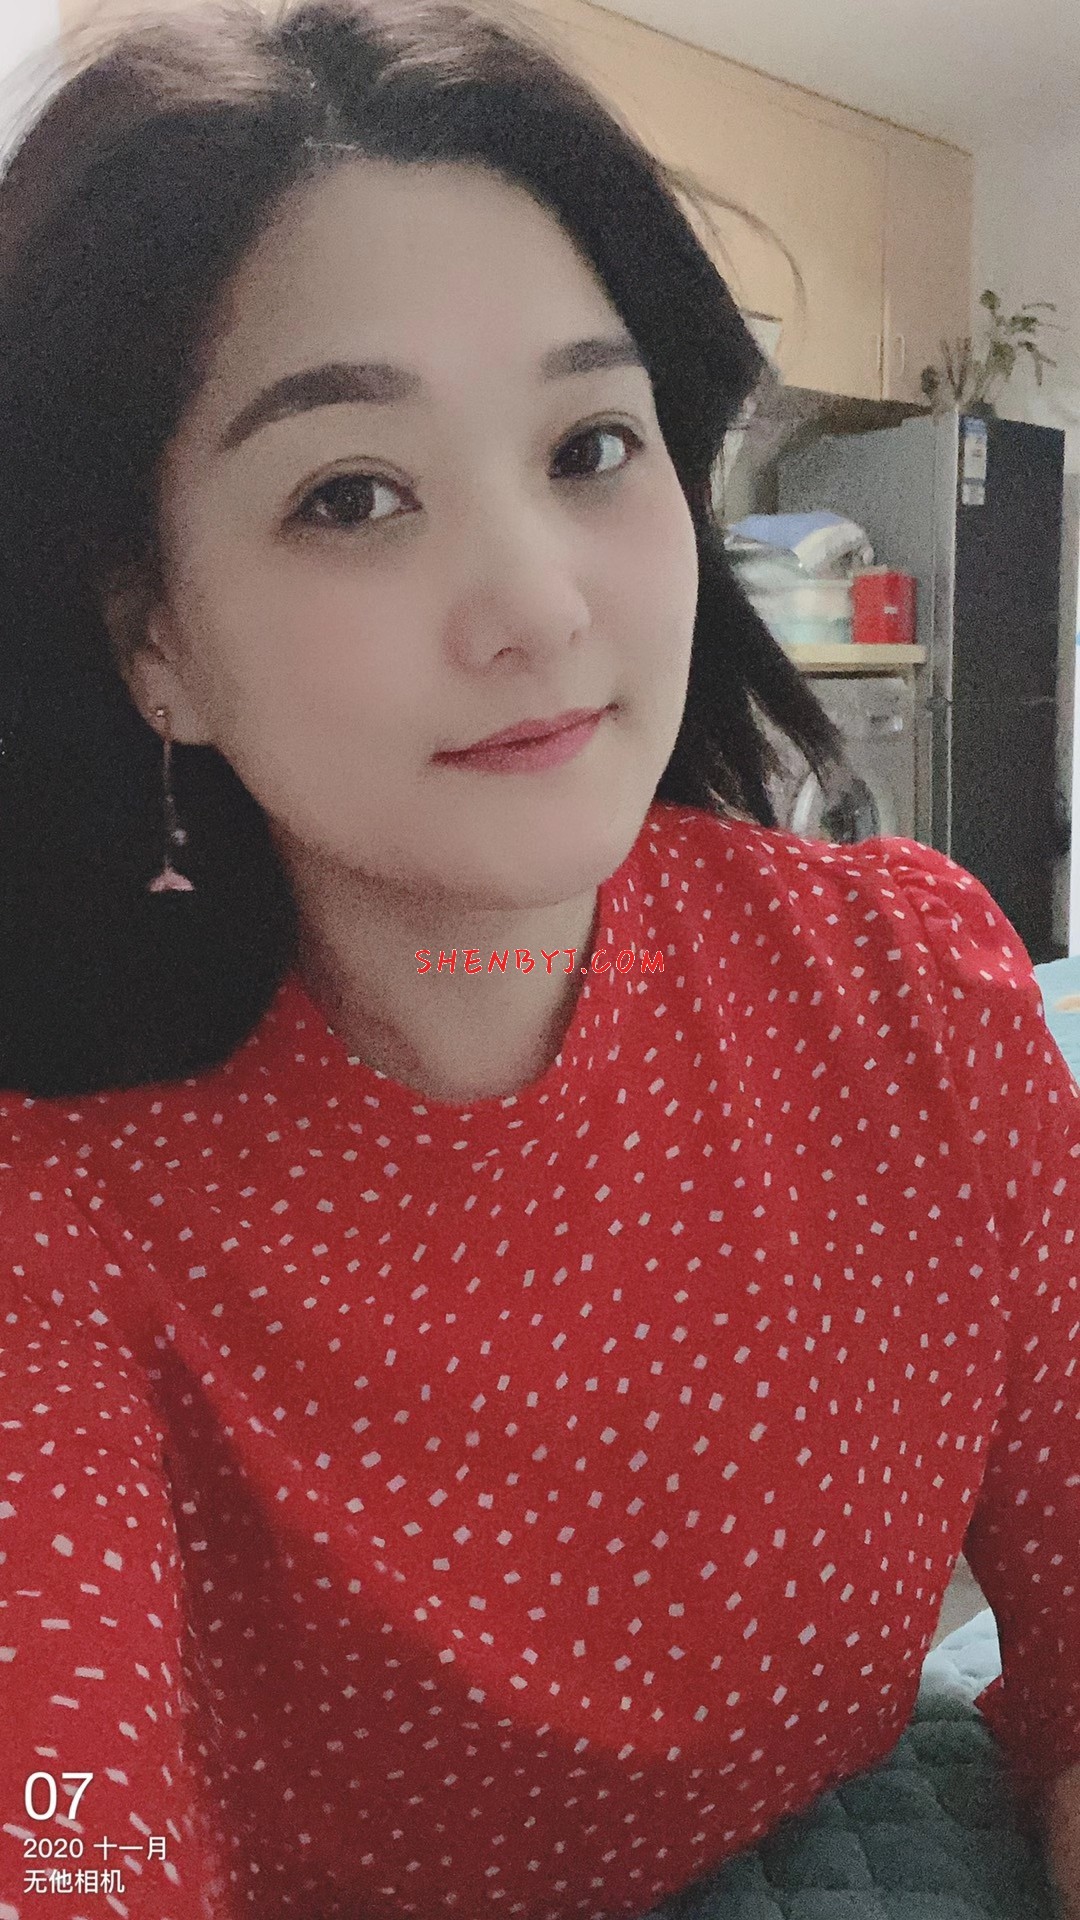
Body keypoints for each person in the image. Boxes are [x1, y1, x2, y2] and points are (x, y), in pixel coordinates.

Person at [0, 2, 1076, 1917]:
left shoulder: (921, 995)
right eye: (350, 492)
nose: (537, 602)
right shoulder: (58, 1199)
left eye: (590, 444)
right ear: (152, 636)